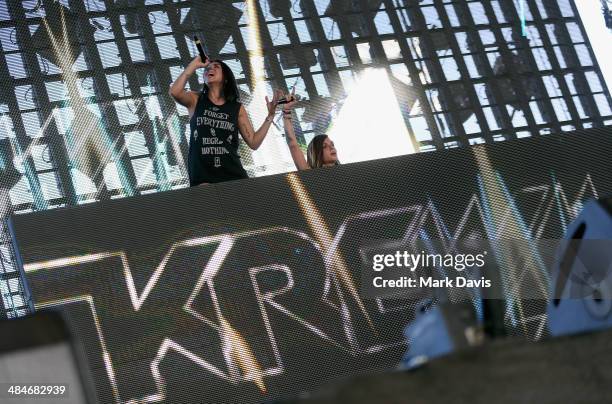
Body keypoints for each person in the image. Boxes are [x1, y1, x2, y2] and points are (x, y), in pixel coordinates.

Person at [169, 56, 282, 186]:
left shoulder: (236, 107)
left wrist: (271, 116)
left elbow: (253, 142)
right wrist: (194, 65)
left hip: (234, 174)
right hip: (203, 177)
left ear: (226, 78)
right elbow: (175, 92)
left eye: (216, 67)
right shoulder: (196, 99)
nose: (209, 69)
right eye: (207, 69)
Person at [281, 90, 339, 170]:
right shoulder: (309, 173)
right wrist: (286, 109)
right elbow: (293, 144)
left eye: (332, 144)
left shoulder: (349, 173)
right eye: (324, 146)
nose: (332, 148)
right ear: (316, 153)